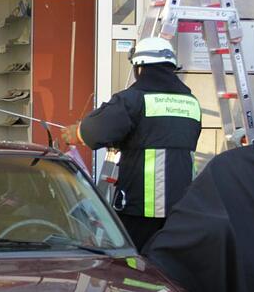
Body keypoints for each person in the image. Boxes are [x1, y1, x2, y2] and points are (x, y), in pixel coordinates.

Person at [61, 37, 201, 250]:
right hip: (181, 205)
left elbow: (96, 130)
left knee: (136, 263)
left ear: (140, 67)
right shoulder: (191, 102)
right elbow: (161, 135)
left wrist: (76, 132)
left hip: (141, 207)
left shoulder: (133, 99)